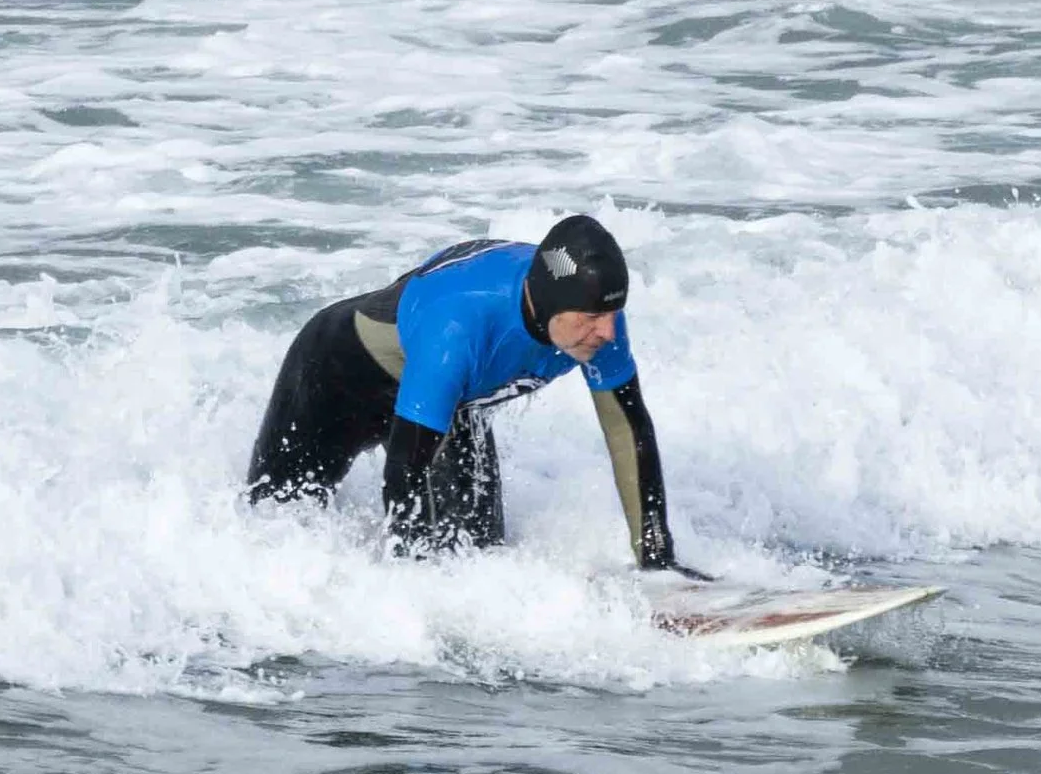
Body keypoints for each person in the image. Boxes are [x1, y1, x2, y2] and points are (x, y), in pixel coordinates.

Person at [247, 213, 705, 572]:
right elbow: (406, 469)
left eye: (612, 313)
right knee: (273, 526)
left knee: (479, 558)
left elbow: (627, 430)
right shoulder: (461, 325)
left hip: (452, 397)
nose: (607, 331)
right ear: (546, 304)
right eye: (591, 317)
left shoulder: (596, 320)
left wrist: (656, 559)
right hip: (334, 379)